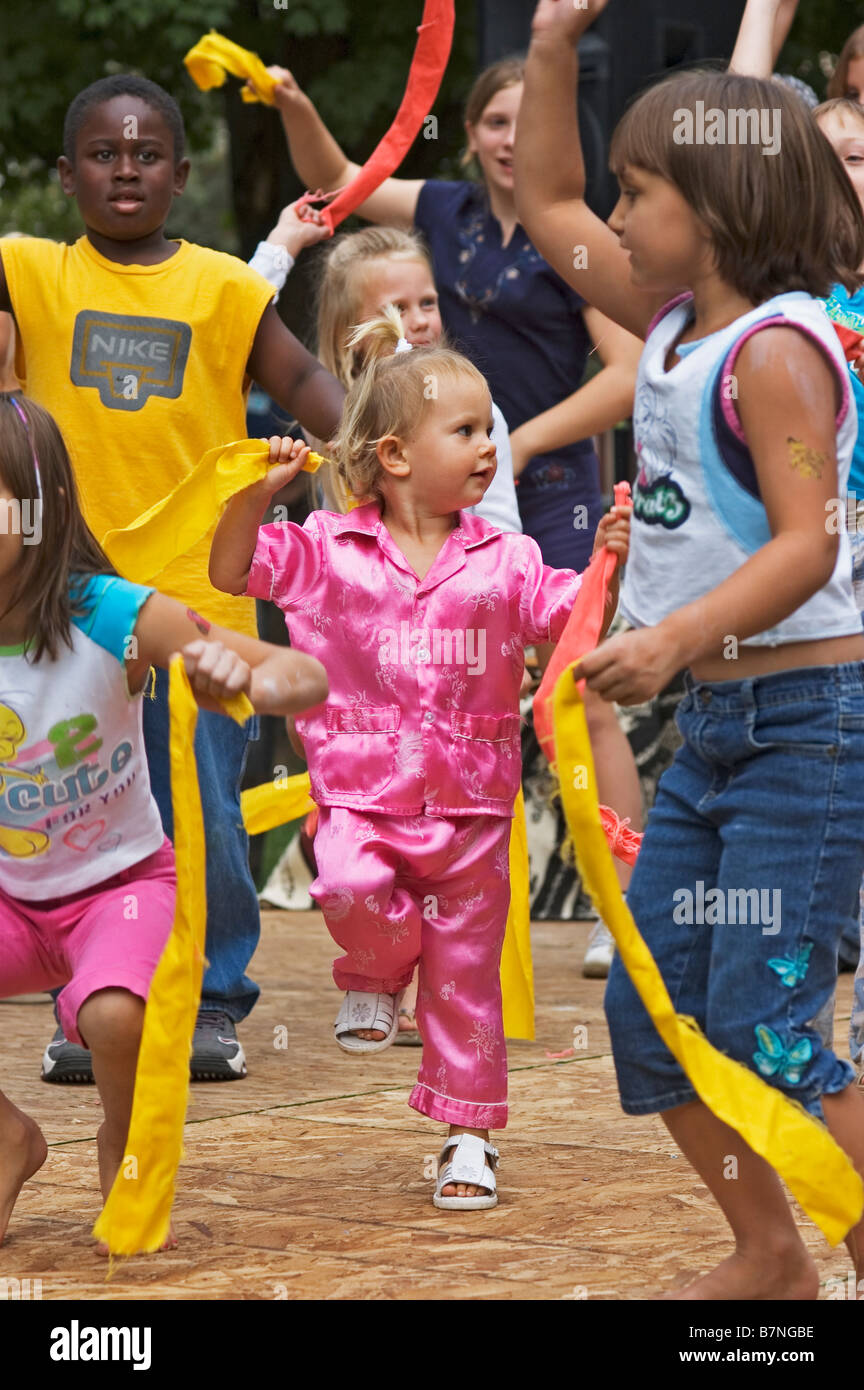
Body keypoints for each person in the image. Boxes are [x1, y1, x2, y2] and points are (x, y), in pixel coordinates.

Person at [515, 0, 864, 1299]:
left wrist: (663, 636)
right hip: (719, 734)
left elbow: (806, 546)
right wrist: (554, 42)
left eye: (639, 194)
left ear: (714, 210)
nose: (609, 218)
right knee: (655, 1021)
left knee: (769, 1029)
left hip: (809, 732)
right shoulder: (668, 323)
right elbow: (546, 196)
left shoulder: (775, 353)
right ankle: (771, 1252)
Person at [209, 308, 630, 1209]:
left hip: (475, 812)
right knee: (349, 889)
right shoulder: (326, 549)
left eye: (492, 430)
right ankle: (372, 973)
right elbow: (230, 570)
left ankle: (468, 1139)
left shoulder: (508, 559)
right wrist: (260, 488)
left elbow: (570, 620)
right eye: (469, 430)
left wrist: (605, 566)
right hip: (358, 798)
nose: (489, 448)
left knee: (468, 982)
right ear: (395, 456)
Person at [263, 56, 644, 976]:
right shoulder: (441, 216)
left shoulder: (573, 238)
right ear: (471, 133)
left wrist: (508, 447)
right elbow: (344, 180)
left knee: (577, 701)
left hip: (535, 498)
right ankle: (404, 918)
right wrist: (295, 100)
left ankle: (622, 904)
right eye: (497, 122)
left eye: (531, 120)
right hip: (426, 511)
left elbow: (631, 375)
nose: (515, 140)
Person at [0, 74, 345, 1083]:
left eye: (148, 155)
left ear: (182, 175)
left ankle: (210, 1000)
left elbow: (304, 386)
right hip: (66, 604)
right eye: (103, 154)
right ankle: (90, 1003)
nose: (126, 169)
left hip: (195, 599)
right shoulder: (28, 269)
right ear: (65, 177)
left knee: (199, 805)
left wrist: (379, 438)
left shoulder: (226, 290)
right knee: (79, 806)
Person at [0, 393, 328, 1247]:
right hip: (11, 896)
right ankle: (7, 1141)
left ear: (38, 507)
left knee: (113, 1017)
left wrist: (235, 674)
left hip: (121, 886)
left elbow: (300, 677)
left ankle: (125, 1140)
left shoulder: (108, 614)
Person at [260, 223, 524, 1042]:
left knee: (454, 854)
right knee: (354, 858)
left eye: (428, 301)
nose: (417, 320)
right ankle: (382, 964)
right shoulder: (324, 424)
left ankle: (426, 994)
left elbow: (504, 535)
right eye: (395, 307)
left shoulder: (475, 419)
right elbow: (224, 320)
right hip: (360, 694)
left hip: (455, 674)